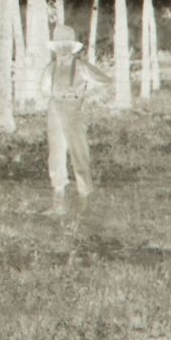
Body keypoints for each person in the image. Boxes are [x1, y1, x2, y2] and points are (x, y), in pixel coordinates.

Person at [46, 30, 98, 214]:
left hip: (73, 108)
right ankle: (58, 203)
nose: (63, 48)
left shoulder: (82, 66)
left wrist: (86, 98)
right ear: (55, 47)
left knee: (78, 153)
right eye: (59, 45)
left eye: (66, 44)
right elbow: (43, 88)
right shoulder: (51, 67)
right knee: (56, 154)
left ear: (72, 47)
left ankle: (85, 205)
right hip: (54, 109)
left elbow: (104, 81)